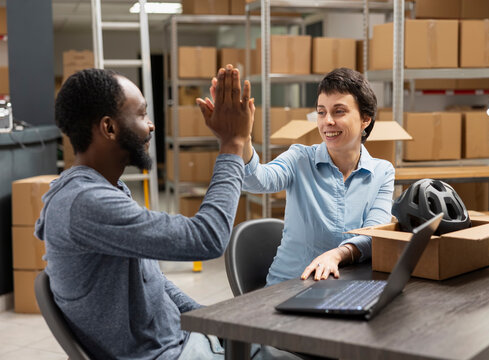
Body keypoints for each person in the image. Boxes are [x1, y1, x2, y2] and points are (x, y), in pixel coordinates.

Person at [35, 66, 253, 359]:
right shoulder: (85, 202)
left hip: (182, 340)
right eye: (141, 115)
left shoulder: (107, 188)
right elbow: (207, 238)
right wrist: (232, 145)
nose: (150, 125)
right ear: (109, 128)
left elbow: (153, 280)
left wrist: (211, 322)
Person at [199, 67, 395, 286]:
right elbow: (257, 179)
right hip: (290, 286)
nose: (327, 121)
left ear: (365, 119)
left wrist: (338, 254)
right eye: (321, 112)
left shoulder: (382, 172)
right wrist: (241, 138)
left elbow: (375, 235)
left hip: (347, 285)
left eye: (339, 111)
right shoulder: (300, 158)